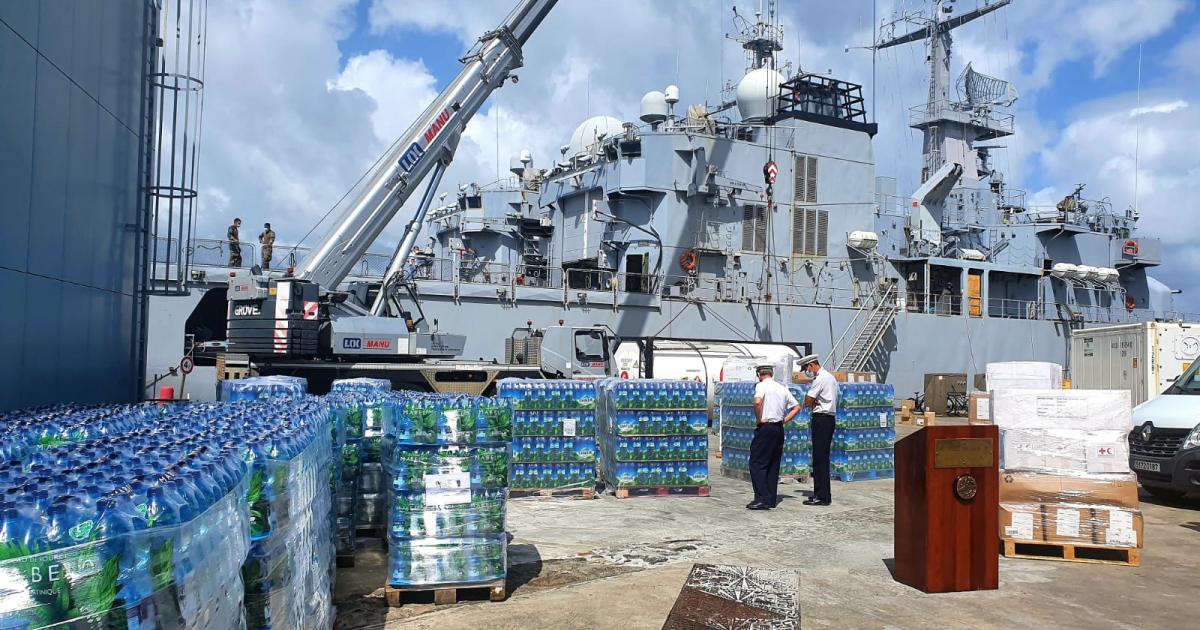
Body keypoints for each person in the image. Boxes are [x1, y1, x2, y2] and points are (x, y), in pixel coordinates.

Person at [747, 363, 801, 510]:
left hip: (766, 427)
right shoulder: (782, 388)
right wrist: (784, 420)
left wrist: (759, 419)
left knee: (757, 463)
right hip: (778, 428)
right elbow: (797, 407)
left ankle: (761, 498)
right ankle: (770, 498)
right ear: (772, 374)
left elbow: (757, 402)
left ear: (759, 374)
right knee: (773, 464)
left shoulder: (762, 386)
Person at [799, 354, 838, 506]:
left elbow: (808, 401)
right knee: (822, 457)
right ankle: (820, 493)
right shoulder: (831, 378)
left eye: (807, 368)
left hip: (822, 418)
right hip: (829, 418)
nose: (807, 372)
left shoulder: (820, 379)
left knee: (819, 458)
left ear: (811, 365)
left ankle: (822, 496)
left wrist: (813, 401)